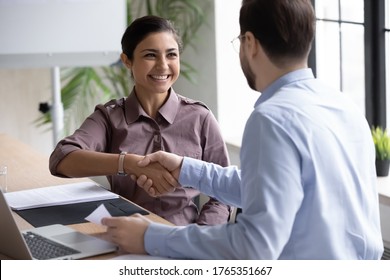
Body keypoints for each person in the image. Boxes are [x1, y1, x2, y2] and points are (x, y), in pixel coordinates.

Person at [101, 0, 384, 259]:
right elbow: (268, 186)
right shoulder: (343, 106)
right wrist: (186, 170)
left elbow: (254, 245)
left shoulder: (272, 119)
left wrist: (150, 237)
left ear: (250, 43)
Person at [49, 15, 231, 226]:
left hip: (186, 238)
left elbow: (224, 193)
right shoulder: (109, 117)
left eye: (171, 55)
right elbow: (61, 159)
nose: (163, 66)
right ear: (127, 61)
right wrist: (129, 164)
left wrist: (200, 238)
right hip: (127, 236)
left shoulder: (200, 117)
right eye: (150, 55)